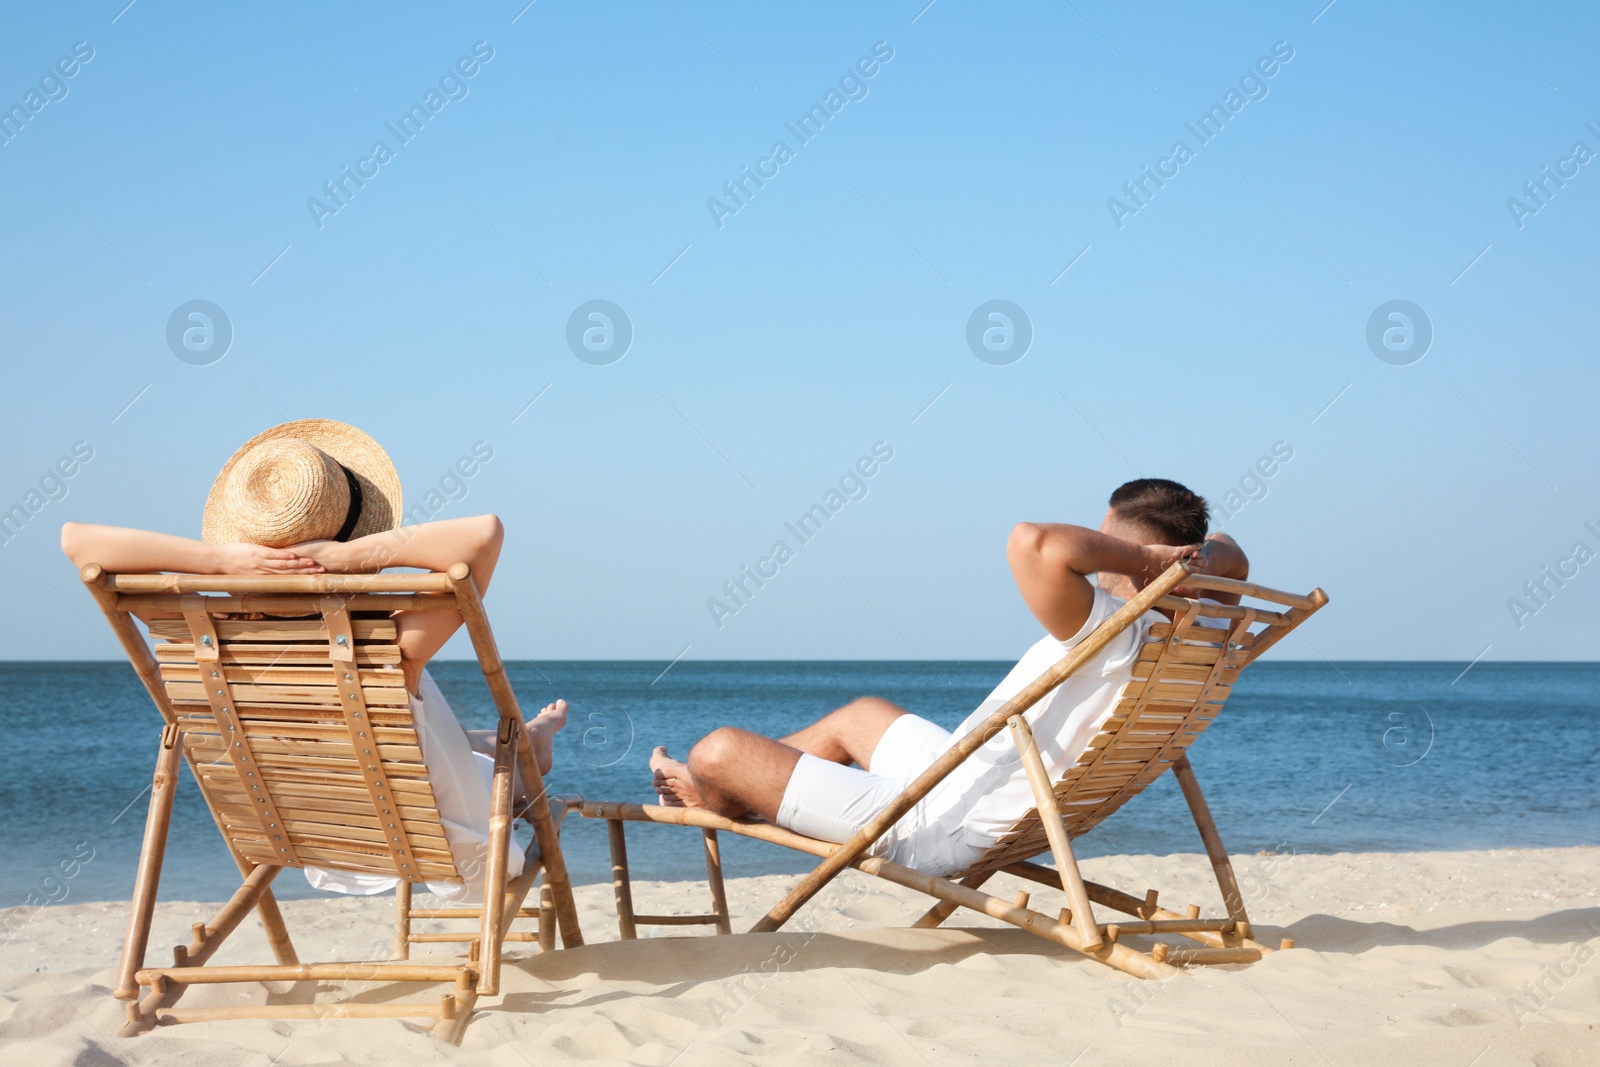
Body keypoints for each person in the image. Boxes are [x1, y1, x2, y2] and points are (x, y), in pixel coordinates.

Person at [60, 419, 568, 902]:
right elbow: (485, 533)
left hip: (323, 838)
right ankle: (534, 742)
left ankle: (532, 738)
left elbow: (76, 540)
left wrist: (221, 562)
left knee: (440, 741)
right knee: (486, 758)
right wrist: (346, 558)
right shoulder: (390, 647)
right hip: (437, 837)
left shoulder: (203, 644)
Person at [650, 478, 1249, 876]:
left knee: (716, 751)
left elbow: (1032, 542)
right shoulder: (1193, 631)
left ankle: (716, 793)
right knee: (860, 716)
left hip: (938, 821)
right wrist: (1189, 564)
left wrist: (1143, 565)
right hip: (968, 780)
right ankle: (741, 790)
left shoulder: (1111, 627)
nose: (1094, 555)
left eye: (1103, 542)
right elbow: (1232, 551)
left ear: (1128, 553)